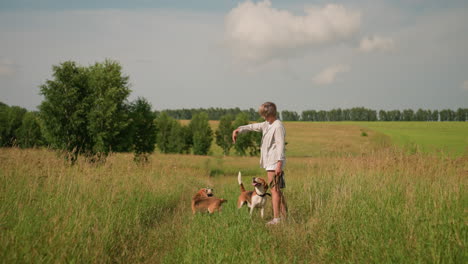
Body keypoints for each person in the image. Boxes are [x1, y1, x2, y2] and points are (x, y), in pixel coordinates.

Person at [232, 102, 287, 225]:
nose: (263, 117)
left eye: (264, 115)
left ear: (270, 113)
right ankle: (284, 217)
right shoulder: (268, 124)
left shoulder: (277, 126)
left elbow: (280, 146)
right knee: (276, 190)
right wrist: (239, 130)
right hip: (271, 162)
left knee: (274, 190)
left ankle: (277, 219)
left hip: (275, 162)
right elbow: (253, 127)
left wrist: (279, 164)